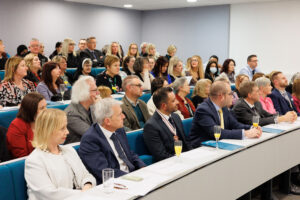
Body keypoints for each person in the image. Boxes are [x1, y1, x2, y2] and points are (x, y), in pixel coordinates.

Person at [25, 109, 96, 200]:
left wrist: (88, 185)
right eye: (62, 128)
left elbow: (86, 176)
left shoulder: (69, 150)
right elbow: (49, 194)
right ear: (48, 130)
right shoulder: (34, 161)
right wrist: (82, 193)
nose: (67, 132)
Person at [78, 98, 146, 184]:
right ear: (107, 121)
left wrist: (143, 168)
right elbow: (103, 171)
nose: (123, 117)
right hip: (115, 183)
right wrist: (132, 178)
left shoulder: (118, 130)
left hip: (132, 176)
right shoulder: (90, 140)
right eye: (119, 114)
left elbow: (129, 154)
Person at [188, 81, 262, 148]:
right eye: (230, 94)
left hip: (219, 144)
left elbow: (235, 125)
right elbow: (217, 132)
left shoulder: (223, 107)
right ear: (221, 96)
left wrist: (251, 128)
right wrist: (245, 133)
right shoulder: (203, 110)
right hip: (202, 148)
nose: (232, 97)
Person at [143, 87, 192, 162]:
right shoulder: (151, 126)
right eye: (173, 101)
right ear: (164, 106)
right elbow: (161, 155)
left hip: (185, 159)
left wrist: (193, 155)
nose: (177, 102)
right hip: (170, 164)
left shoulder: (176, 117)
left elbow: (186, 142)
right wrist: (181, 160)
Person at [6, 92, 46, 158]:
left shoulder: (44, 121)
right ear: (31, 110)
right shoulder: (17, 126)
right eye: (42, 108)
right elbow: (21, 156)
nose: (46, 110)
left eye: (45, 106)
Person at [64, 76, 99, 144]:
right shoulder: (71, 114)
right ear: (84, 93)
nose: (97, 93)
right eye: (94, 90)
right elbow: (92, 135)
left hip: (93, 146)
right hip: (79, 151)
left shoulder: (92, 107)